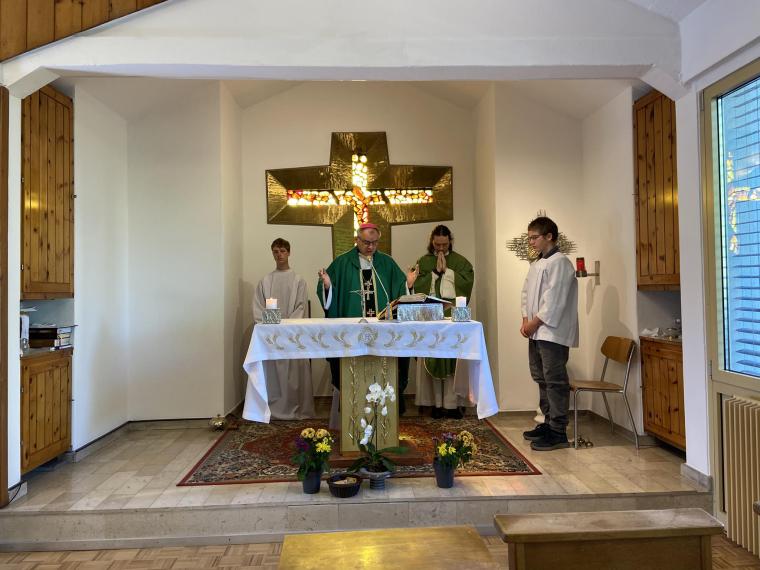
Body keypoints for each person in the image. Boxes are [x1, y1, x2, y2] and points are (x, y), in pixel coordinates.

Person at [317, 223, 418, 414]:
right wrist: (328, 286)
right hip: (352, 332)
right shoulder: (342, 262)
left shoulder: (386, 263)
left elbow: (400, 293)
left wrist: (408, 285)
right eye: (366, 242)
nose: (370, 246)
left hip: (382, 332)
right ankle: (353, 413)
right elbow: (328, 290)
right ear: (357, 240)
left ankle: (385, 414)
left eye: (374, 242)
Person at [520, 216, 578, 451]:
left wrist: (534, 323)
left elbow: (555, 300)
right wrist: (525, 319)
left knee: (555, 380)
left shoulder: (560, 263)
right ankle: (547, 422)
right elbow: (526, 293)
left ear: (549, 236)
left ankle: (558, 431)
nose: (531, 242)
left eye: (534, 237)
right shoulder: (537, 264)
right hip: (536, 331)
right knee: (541, 378)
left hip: (552, 332)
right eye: (530, 238)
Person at [413, 225, 475, 419]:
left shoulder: (461, 262)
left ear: (450, 241)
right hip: (429, 317)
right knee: (431, 356)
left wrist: (448, 272)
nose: (440, 248)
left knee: (453, 359)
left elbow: (467, 283)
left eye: (444, 244)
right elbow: (416, 286)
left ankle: (453, 404)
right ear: (432, 241)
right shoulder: (423, 262)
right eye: (437, 244)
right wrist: (434, 273)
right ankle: (434, 404)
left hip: (452, 317)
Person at [253, 238, 315, 420]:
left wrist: (285, 328)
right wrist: (274, 327)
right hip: (272, 336)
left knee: (294, 375)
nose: (279, 255)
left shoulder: (298, 280)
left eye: (282, 251)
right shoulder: (265, 281)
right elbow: (258, 308)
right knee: (273, 375)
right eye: (275, 251)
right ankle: (273, 409)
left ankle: (298, 409)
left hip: (292, 335)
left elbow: (301, 307)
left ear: (289, 252)